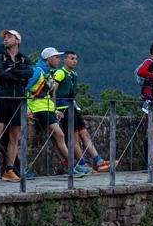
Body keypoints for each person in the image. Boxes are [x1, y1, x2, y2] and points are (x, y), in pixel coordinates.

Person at [36, 49, 108, 177]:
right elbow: (53, 91)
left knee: (84, 133)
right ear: (66, 60)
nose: (74, 61)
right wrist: (55, 108)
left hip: (72, 106)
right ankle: (82, 164)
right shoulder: (60, 73)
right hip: (64, 107)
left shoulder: (73, 74)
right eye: (71, 58)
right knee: (74, 137)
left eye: (75, 59)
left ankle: (98, 160)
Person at [0, 30, 30, 182]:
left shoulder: (24, 59)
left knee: (14, 136)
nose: (6, 39)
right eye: (5, 37)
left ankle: (9, 170)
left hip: (18, 99)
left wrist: (12, 72)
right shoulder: (0, 58)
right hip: (2, 97)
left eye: (9, 37)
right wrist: (18, 74)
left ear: (17, 40)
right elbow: (0, 73)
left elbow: (29, 73)